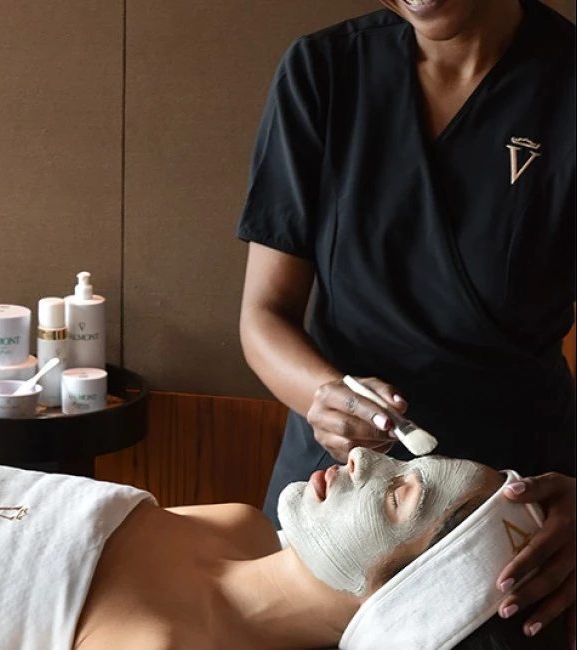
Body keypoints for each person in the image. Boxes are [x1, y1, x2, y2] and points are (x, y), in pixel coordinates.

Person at [235, 0, 576, 640]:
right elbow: (264, 315)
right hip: (335, 490)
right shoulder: (327, 70)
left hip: (511, 519)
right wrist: (322, 396)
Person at [0, 414, 570, 649]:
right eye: (398, 461)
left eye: (397, 498)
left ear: (400, 602)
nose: (363, 462)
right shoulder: (236, 527)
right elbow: (7, 529)